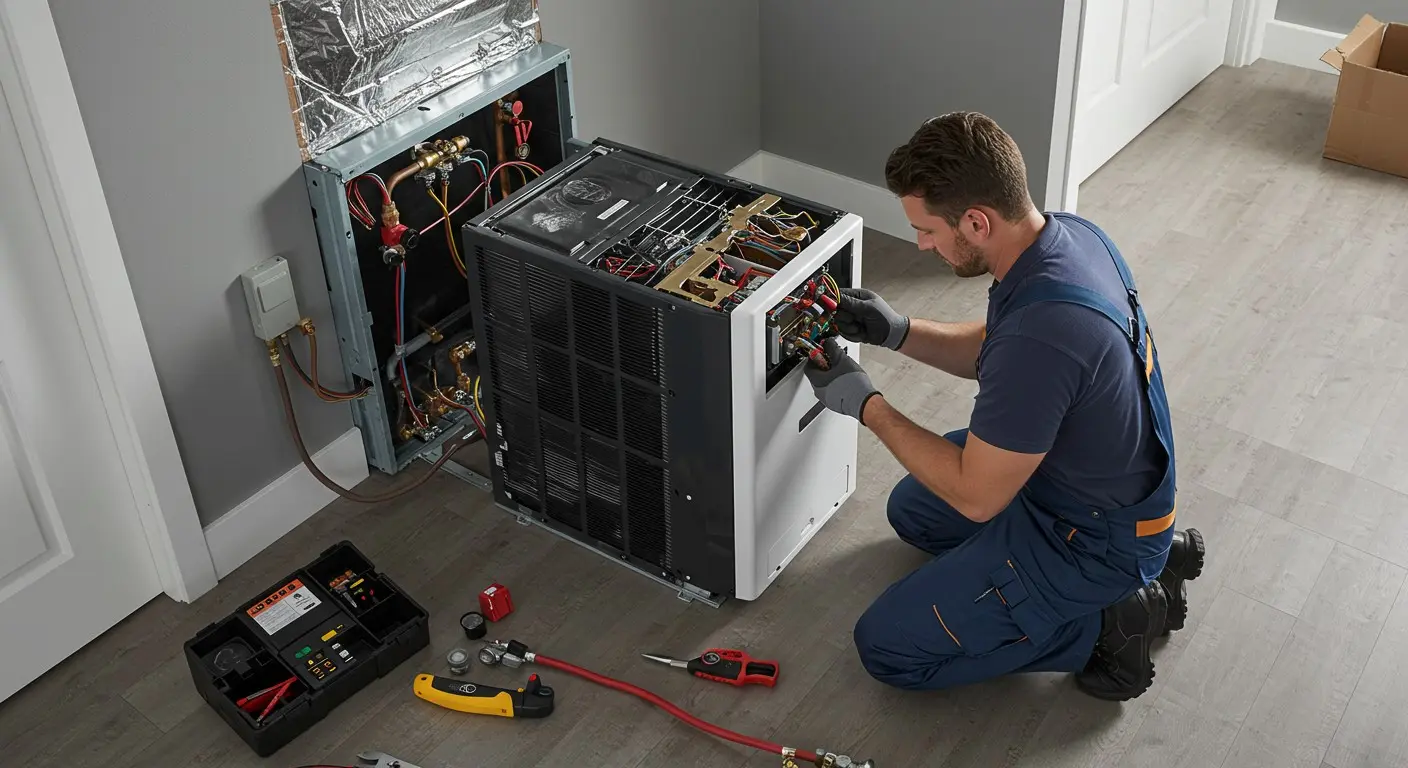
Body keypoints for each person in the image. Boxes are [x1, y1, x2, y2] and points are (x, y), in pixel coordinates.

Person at [803, 112, 1205, 701]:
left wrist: (868, 405)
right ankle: (1149, 561)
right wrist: (897, 330)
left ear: (976, 221)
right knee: (913, 510)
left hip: (1090, 537)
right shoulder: (1067, 237)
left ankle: (1110, 620)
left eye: (927, 229)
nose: (920, 243)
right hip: (1092, 490)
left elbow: (977, 494)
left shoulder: (1043, 338)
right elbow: (998, 345)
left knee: (886, 647)